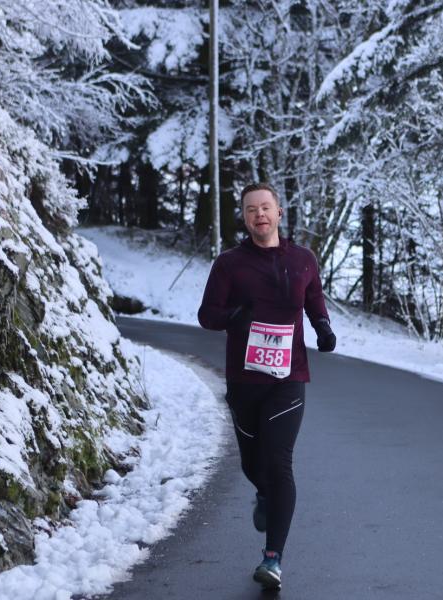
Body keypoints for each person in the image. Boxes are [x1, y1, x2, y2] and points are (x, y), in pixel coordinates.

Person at [197, 182, 337, 591]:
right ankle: (265, 495)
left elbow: (314, 300)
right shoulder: (229, 264)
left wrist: (323, 329)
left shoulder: (303, 259)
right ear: (244, 217)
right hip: (244, 380)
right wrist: (235, 316)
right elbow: (207, 314)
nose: (259, 214)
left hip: (288, 378)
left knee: (279, 464)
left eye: (266, 207)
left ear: (279, 212)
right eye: (251, 209)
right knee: (253, 465)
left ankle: (273, 558)